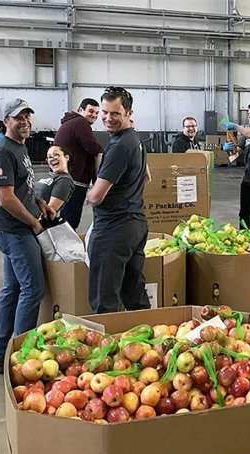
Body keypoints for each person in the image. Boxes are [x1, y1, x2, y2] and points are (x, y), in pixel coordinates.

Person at [0, 99, 55, 374]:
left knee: (12, 289)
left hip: (18, 227)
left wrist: (40, 204)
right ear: (6, 121)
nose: (25, 121)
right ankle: (21, 355)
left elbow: (21, 188)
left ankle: (2, 354)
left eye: (28, 116)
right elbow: (5, 199)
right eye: (18, 117)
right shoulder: (3, 150)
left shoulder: (19, 147)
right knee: (33, 289)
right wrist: (34, 224)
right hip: (14, 230)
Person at [86, 86, 151, 314]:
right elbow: (147, 176)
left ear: (128, 113)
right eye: (104, 112)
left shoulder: (119, 146)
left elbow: (96, 197)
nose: (107, 118)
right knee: (134, 295)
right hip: (135, 224)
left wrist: (85, 190)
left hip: (113, 230)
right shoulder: (135, 138)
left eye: (115, 113)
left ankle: (108, 347)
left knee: (104, 300)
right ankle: (146, 343)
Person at [54, 98, 104, 231]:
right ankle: (66, 248)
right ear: (80, 110)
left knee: (66, 216)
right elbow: (93, 147)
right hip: (75, 179)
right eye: (91, 111)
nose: (94, 115)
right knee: (71, 219)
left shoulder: (71, 123)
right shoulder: (81, 123)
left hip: (66, 177)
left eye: (97, 113)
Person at [34, 145, 75, 214]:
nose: (52, 158)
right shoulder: (49, 176)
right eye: (49, 157)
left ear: (66, 157)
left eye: (56, 155)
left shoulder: (64, 180)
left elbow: (49, 212)